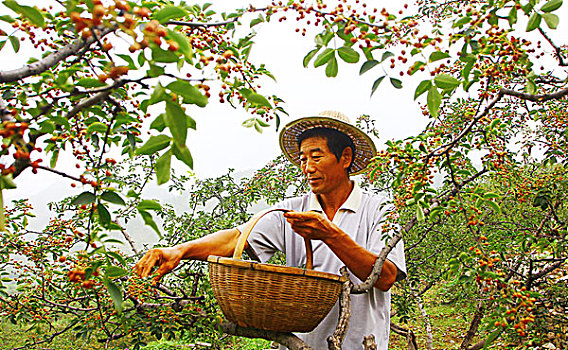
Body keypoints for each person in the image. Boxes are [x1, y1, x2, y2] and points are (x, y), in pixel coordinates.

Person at [134, 110, 407, 350]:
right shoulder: (293, 211)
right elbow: (237, 238)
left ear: (345, 157)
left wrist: (330, 234)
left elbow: (385, 277)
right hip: (300, 345)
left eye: (316, 156)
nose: (307, 168)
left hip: (359, 343)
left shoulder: (380, 210)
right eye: (303, 159)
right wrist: (180, 251)